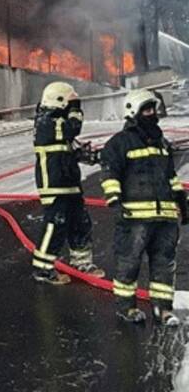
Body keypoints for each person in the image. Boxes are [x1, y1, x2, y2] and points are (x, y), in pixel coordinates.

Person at [102, 88, 185, 325]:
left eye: (153, 109)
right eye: (146, 109)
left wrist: (181, 199)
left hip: (165, 218)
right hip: (135, 218)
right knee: (129, 263)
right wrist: (115, 201)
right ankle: (126, 308)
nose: (152, 114)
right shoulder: (119, 143)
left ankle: (163, 309)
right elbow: (110, 173)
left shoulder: (161, 143)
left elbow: (170, 175)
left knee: (164, 264)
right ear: (133, 112)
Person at [31, 81, 104, 284]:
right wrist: (75, 109)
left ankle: (82, 262)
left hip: (70, 182)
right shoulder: (46, 122)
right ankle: (43, 268)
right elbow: (73, 128)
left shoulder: (56, 124)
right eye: (69, 102)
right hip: (53, 184)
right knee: (56, 224)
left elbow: (69, 147)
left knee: (80, 221)